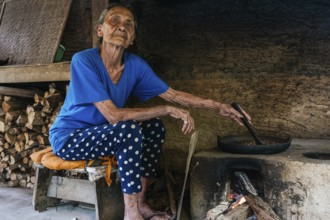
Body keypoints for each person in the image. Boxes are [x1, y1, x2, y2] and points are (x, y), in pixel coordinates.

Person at [49, 3, 250, 220]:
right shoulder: (84, 61)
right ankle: (131, 213)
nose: (122, 27)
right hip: (70, 139)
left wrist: (220, 107)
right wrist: (165, 109)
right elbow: (113, 116)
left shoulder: (135, 65)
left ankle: (141, 203)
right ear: (100, 30)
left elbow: (173, 95)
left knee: (154, 127)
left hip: (106, 134)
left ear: (132, 37)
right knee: (128, 130)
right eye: (114, 21)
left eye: (129, 25)